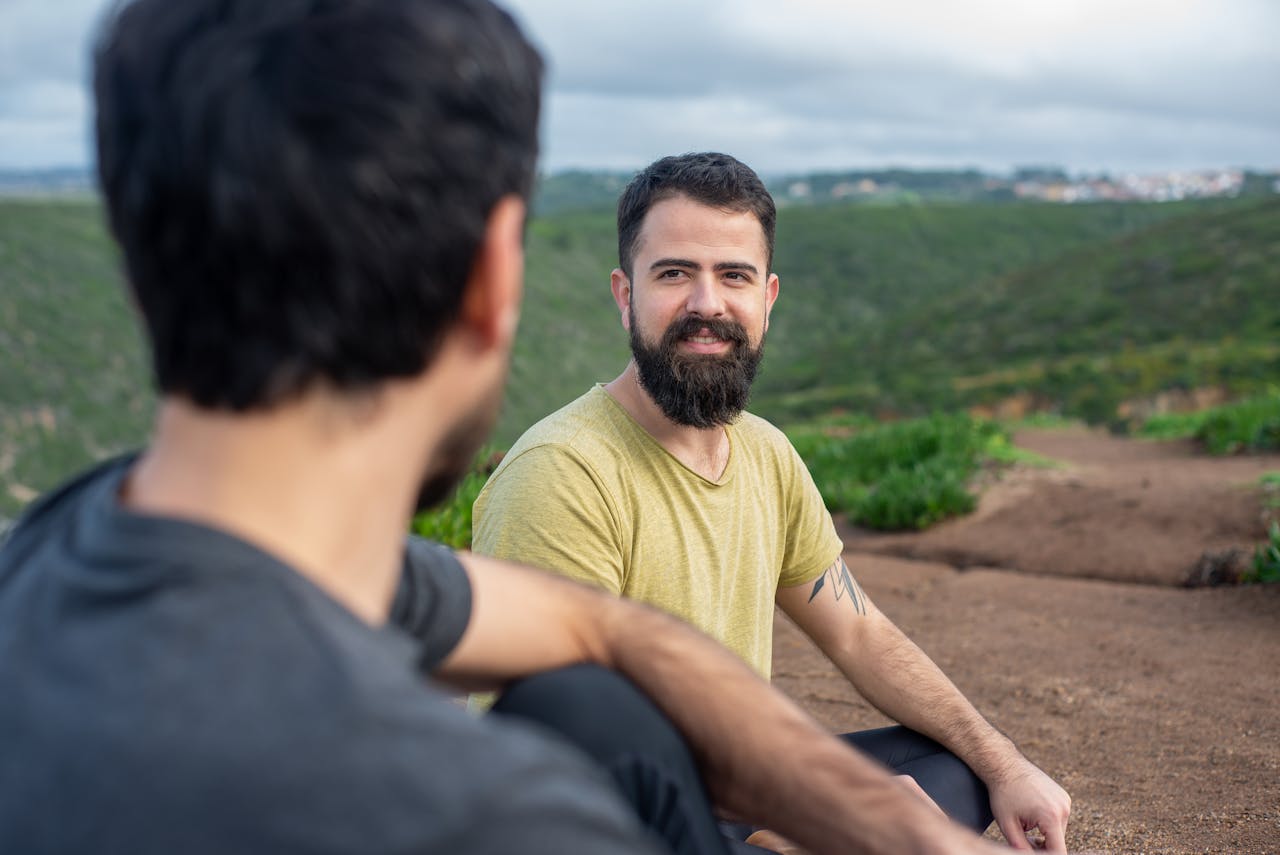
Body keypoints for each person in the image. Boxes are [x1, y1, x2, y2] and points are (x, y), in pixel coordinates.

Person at [0, 2, 1023, 854]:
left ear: (139, 279)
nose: (706, 299)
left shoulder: (63, 540)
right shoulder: (485, 819)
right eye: (676, 272)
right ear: (497, 281)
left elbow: (603, 629)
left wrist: (898, 824)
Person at [473, 152, 1074, 852]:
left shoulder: (764, 452)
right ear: (624, 293)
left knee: (956, 770)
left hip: (735, 788)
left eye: (734, 275)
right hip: (611, 818)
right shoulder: (564, 472)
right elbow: (565, 749)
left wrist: (1006, 763)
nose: (707, 304)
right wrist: (802, 820)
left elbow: (858, 632)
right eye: (674, 273)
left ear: (768, 297)